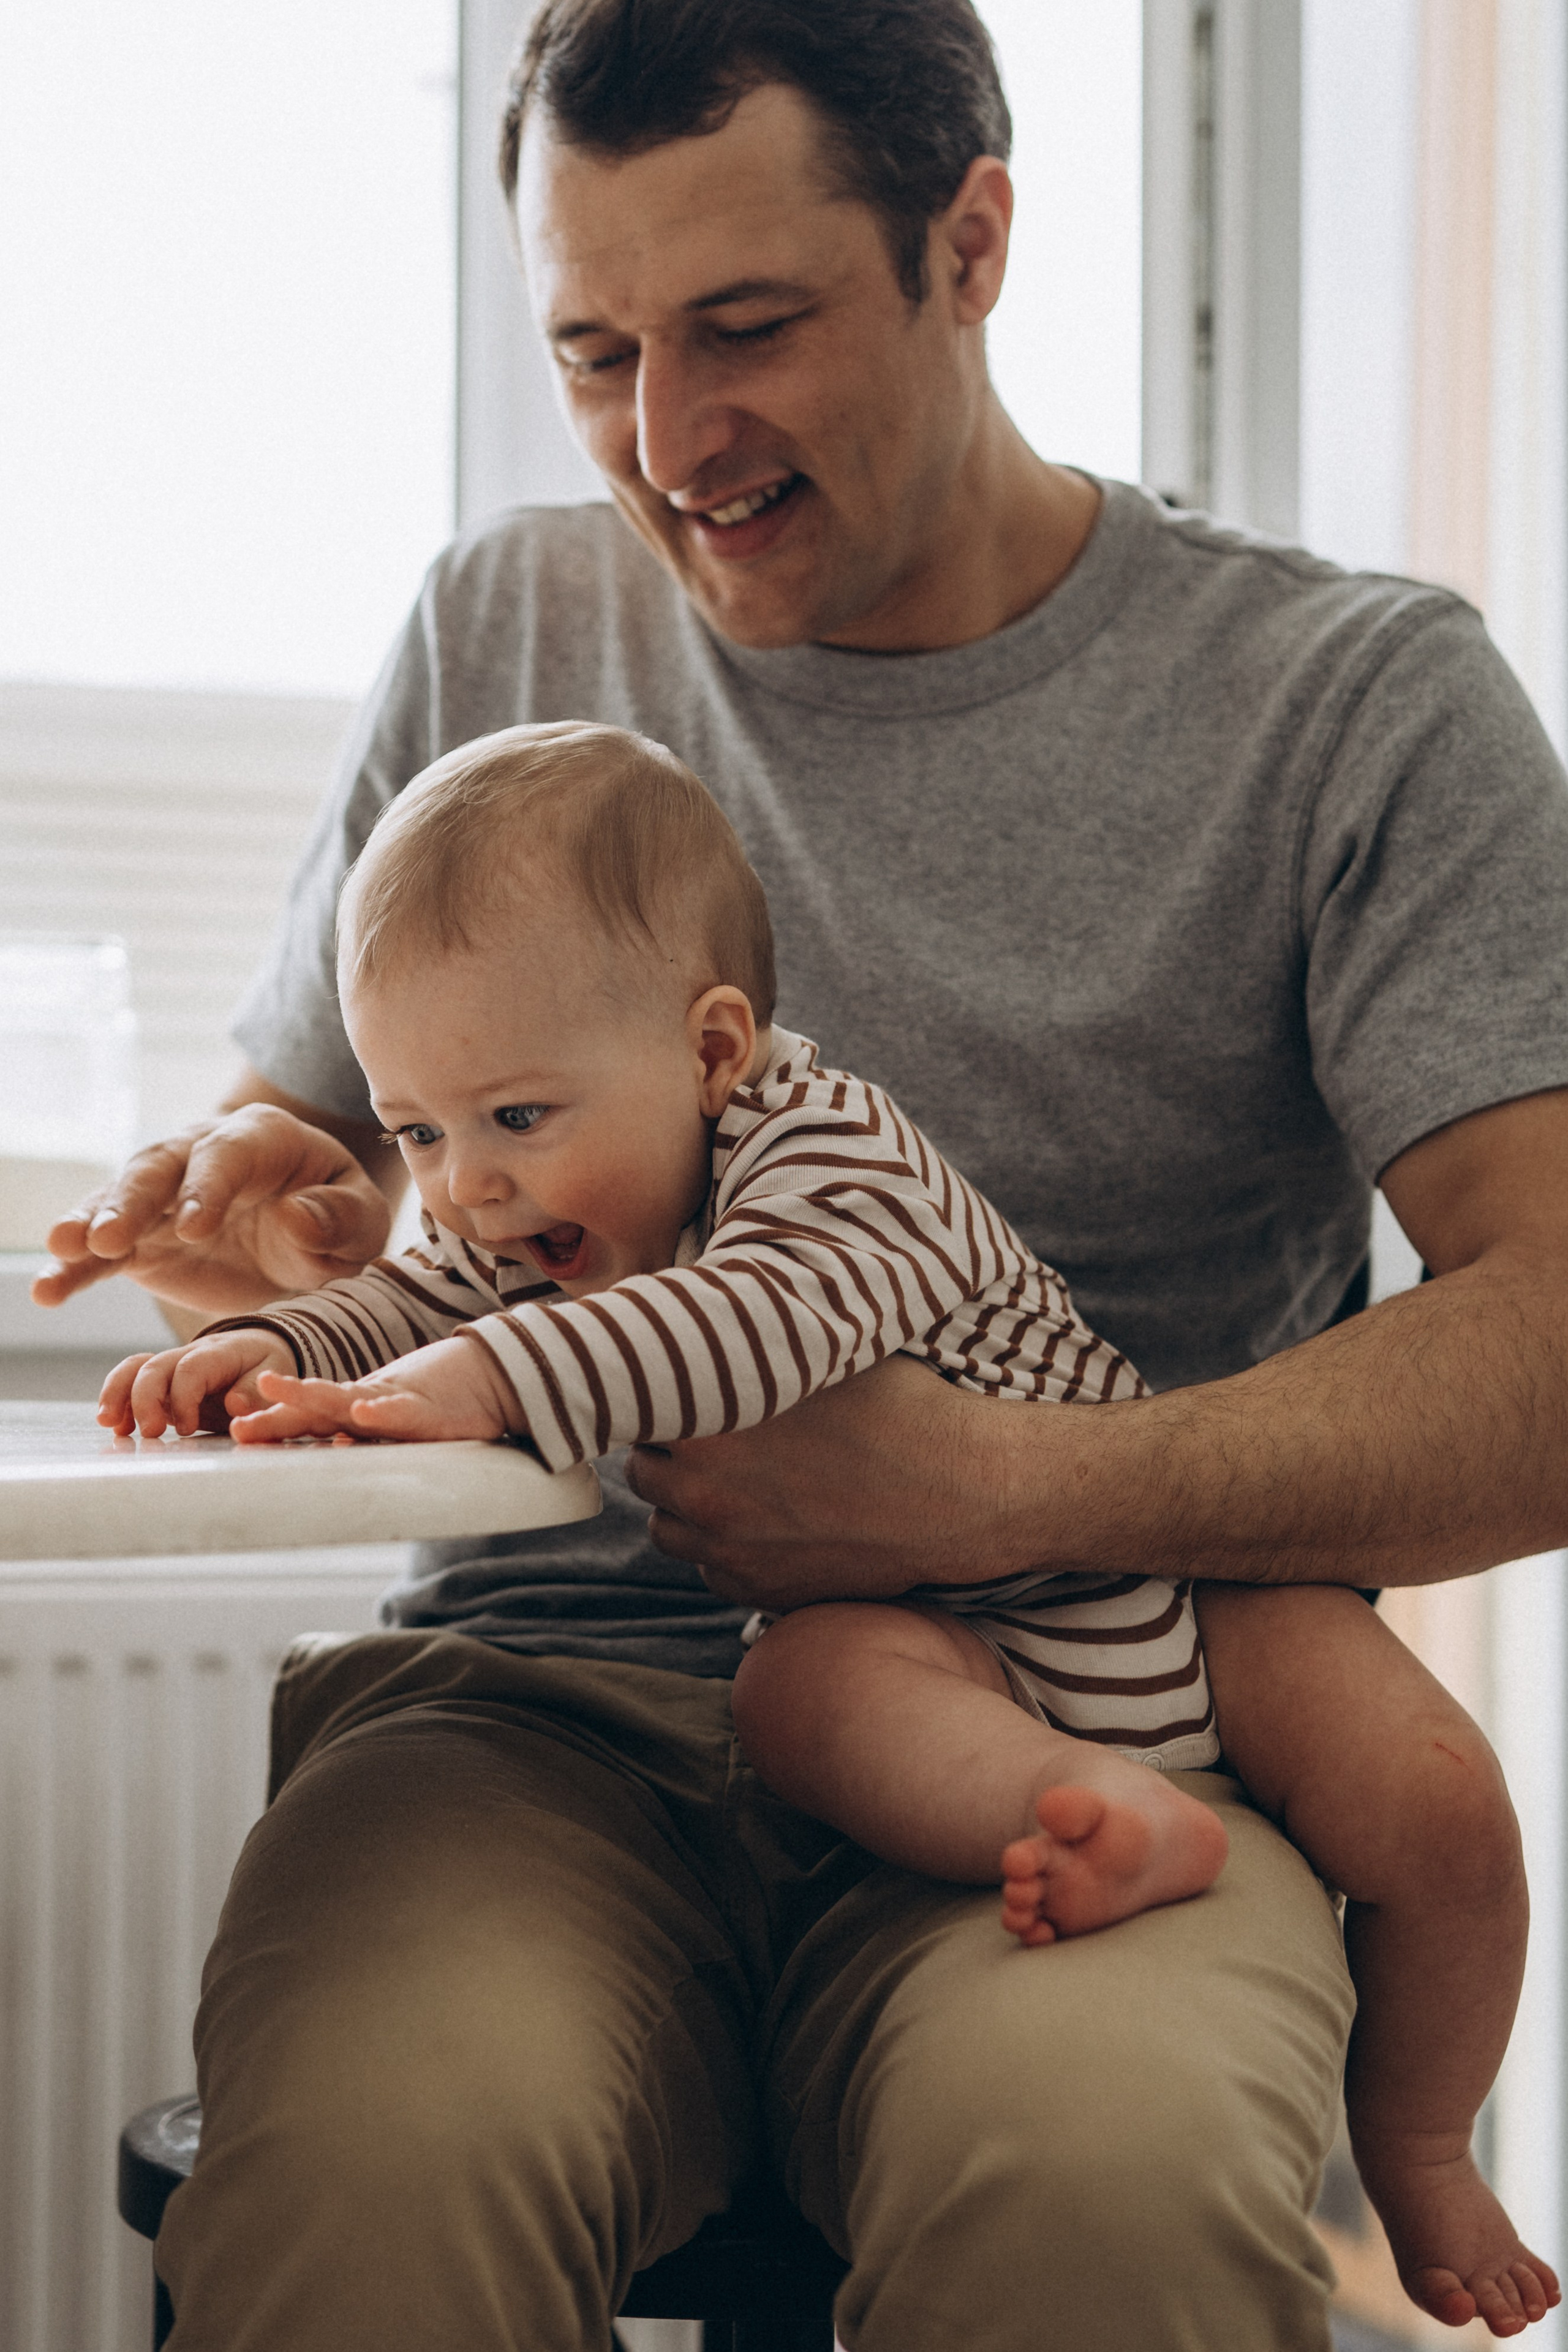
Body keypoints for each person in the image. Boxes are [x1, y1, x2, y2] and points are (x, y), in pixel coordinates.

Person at [34, 2, 1568, 2345]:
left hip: (1091, 1719)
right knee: (371, 2171)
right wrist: (250, 1278)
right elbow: (335, 1228)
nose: (667, 444)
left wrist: (1003, 1488)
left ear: (974, 244)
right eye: (594, 352)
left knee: (1110, 2192)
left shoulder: (1351, 705)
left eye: (747, 327)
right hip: (540, 1720)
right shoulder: (499, 630)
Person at [102, 720, 1556, 2334]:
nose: (466, 1192)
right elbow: (408, 1295)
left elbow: (756, 1325)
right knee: (806, 1692)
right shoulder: (538, 1199)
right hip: (905, 1645)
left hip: (1161, 1588)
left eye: (511, 1119)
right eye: (419, 1133)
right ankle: (1077, 1811)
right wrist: (275, 1348)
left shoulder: (836, 1156)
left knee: (1435, 1800)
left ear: (714, 1051)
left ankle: (1422, 2142)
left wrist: (492, 1379)